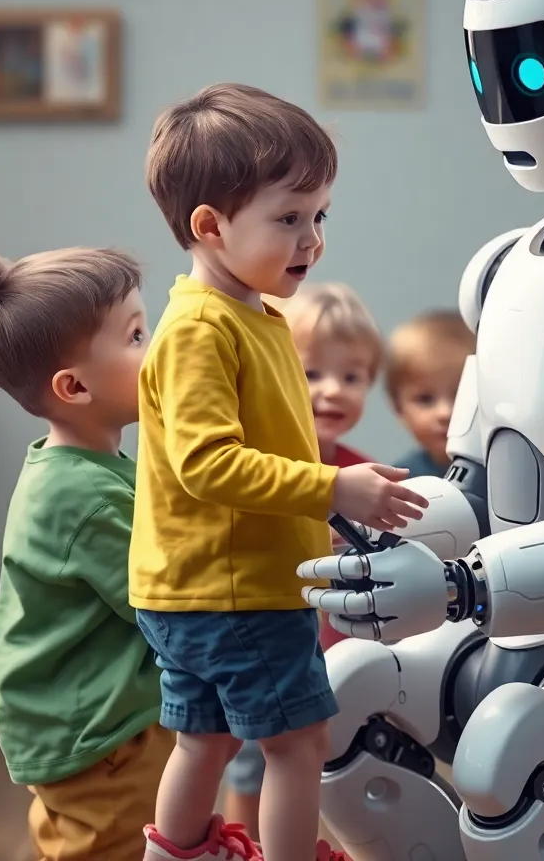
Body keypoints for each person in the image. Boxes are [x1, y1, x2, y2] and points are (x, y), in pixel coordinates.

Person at [128, 82, 429, 861]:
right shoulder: (202, 330)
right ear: (210, 226)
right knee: (298, 744)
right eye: (289, 218)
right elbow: (207, 464)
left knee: (207, 739)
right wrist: (333, 485)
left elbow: (268, 447)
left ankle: (180, 853)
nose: (312, 239)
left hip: (203, 587)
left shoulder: (253, 317)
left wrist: (325, 514)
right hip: (237, 594)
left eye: (319, 216)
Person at [0, 247, 171, 861]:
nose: (155, 347)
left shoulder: (86, 468)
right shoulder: (82, 496)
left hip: (83, 716)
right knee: (123, 844)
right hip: (103, 732)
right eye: (135, 336)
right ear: (74, 387)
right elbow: (165, 590)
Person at [223, 282, 385, 839]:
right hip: (266, 637)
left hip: (336, 650)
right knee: (252, 756)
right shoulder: (262, 466)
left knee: (327, 759)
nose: (333, 391)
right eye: (312, 373)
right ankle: (243, 844)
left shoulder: (362, 475)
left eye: (353, 375)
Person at [385, 309, 476, 478]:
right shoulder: (399, 483)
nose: (445, 413)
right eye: (425, 399)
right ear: (398, 409)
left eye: (460, 397)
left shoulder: (508, 473)